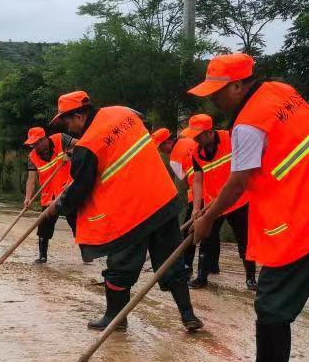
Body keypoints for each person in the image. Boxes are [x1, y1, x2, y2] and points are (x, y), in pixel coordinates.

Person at [189, 53, 309, 362]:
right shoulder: (282, 92)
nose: (213, 99)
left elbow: (239, 181)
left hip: (301, 221)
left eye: (216, 91)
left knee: (272, 298)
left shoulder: (249, 123)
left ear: (237, 85)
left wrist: (208, 217)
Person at [45, 91, 203, 332]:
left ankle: (114, 317)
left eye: (66, 121)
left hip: (131, 212)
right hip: (162, 199)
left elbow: (80, 188)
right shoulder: (122, 113)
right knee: (171, 260)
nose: (68, 128)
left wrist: (56, 207)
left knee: (120, 265)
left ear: (78, 116)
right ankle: (188, 314)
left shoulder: (88, 145)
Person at [184, 114, 258, 291]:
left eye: (198, 135)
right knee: (206, 238)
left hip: (238, 200)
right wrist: (196, 207)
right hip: (213, 204)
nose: (195, 139)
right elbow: (198, 181)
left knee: (244, 240)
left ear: (210, 132)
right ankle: (201, 278)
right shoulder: (196, 152)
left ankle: (251, 279)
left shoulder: (232, 138)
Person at [23, 126, 76, 263]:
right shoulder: (32, 156)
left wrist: (69, 153)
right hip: (48, 195)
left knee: (76, 222)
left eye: (36, 143)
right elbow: (31, 179)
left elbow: (83, 143)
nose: (35, 146)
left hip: (67, 190)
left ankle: (86, 250)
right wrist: (28, 198)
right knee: (44, 225)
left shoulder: (60, 139)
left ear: (44, 139)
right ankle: (42, 256)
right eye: (33, 144)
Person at [152, 128, 199, 274]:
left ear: (168, 142)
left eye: (161, 147)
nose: (162, 151)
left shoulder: (174, 158)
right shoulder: (190, 141)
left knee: (189, 232)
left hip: (197, 194)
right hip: (213, 189)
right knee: (212, 233)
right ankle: (211, 267)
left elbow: (182, 184)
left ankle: (186, 265)